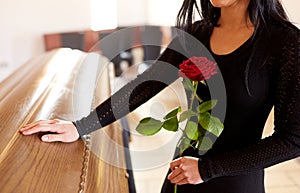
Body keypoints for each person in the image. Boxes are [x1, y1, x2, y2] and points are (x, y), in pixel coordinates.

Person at [20, 0, 299, 193]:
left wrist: (208, 169)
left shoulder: (285, 43)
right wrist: (80, 126)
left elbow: (292, 140)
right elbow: (145, 85)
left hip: (234, 181)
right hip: (180, 175)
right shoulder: (196, 33)